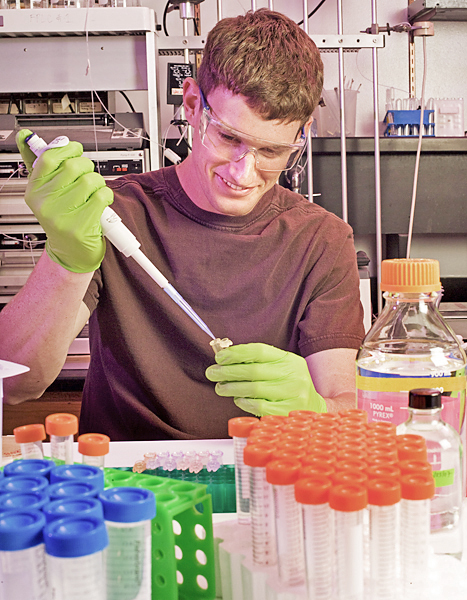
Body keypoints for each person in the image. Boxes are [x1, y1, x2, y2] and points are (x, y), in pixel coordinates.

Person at [0, 9, 365, 441]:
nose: (243, 172)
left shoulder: (321, 240)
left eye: (271, 151)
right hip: (127, 486)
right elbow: (15, 385)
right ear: (192, 104)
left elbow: (346, 405)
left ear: (302, 135)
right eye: (228, 138)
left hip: (262, 475)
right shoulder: (113, 214)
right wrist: (66, 259)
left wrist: (315, 406)